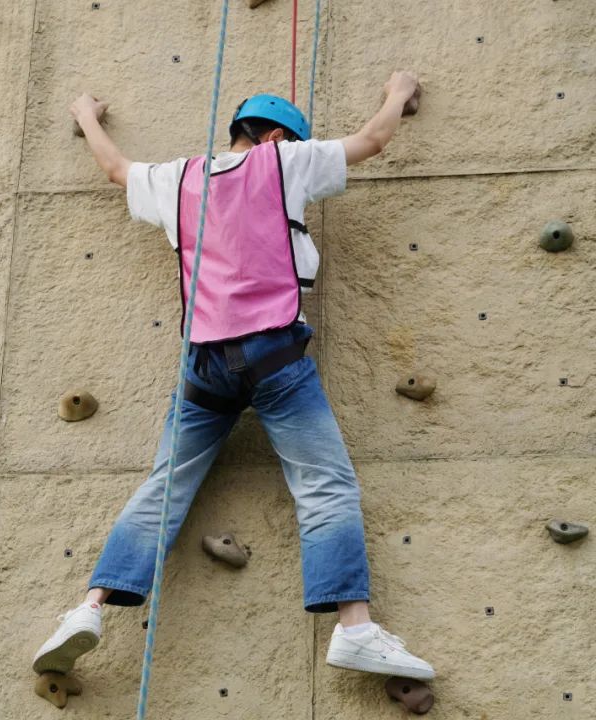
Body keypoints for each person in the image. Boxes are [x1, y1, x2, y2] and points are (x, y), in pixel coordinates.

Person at [32, 71, 435, 683]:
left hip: (203, 364)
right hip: (273, 354)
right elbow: (372, 141)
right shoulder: (284, 161)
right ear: (275, 137)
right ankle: (355, 628)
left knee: (164, 488)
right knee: (324, 485)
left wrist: (86, 114)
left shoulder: (177, 178)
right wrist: (398, 94)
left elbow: (116, 168)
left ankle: (87, 609)